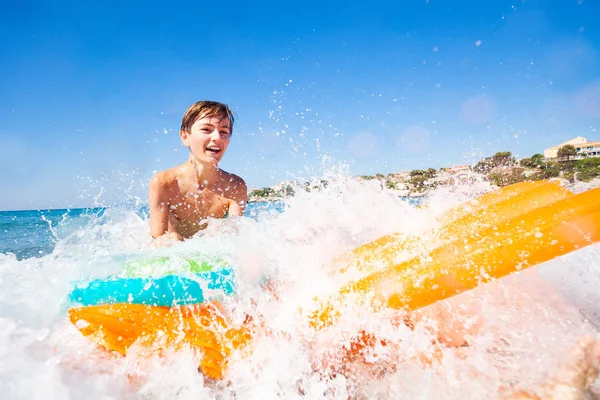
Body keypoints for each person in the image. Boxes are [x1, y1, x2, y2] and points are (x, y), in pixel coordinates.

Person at [148, 101, 247, 244]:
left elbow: (235, 241)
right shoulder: (164, 183)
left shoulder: (235, 186)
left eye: (224, 132)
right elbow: (157, 241)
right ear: (185, 137)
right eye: (207, 129)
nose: (217, 137)